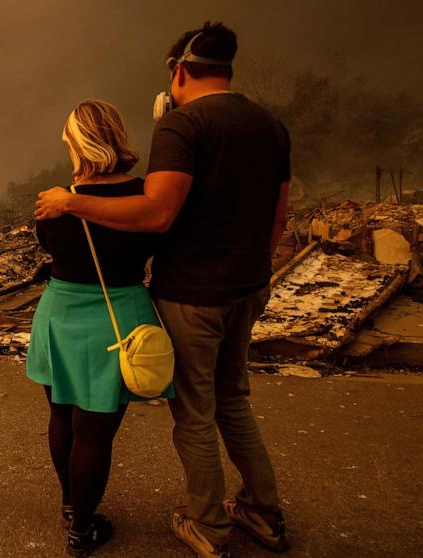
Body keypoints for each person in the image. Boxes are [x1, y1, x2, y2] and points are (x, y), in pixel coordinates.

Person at [34, 22, 291, 558]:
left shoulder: (182, 125)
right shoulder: (271, 124)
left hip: (190, 293)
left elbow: (157, 214)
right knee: (234, 402)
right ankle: (263, 513)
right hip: (246, 286)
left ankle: (208, 528)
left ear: (179, 70)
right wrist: (256, 272)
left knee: (191, 413)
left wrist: (71, 201)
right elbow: (278, 216)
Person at [27, 99, 175, 557]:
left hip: (60, 313)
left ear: (78, 142)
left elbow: (50, 245)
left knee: (61, 416)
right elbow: (157, 241)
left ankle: (73, 509)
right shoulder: (146, 196)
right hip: (119, 314)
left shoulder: (55, 201)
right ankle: (82, 528)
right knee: (94, 433)